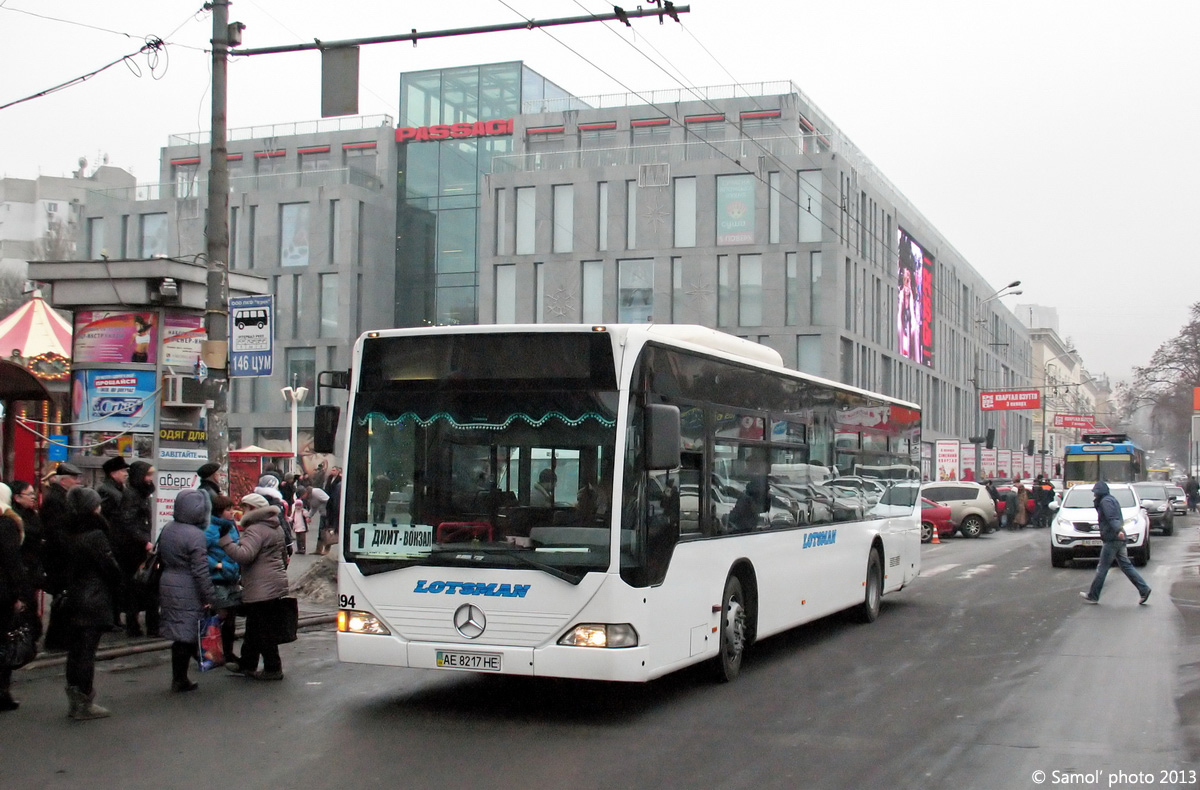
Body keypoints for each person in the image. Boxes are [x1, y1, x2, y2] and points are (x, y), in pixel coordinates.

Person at [62, 486, 122, 720]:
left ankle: (74, 697)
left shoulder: (67, 533)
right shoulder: (96, 535)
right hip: (94, 597)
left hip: (74, 596)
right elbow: (110, 568)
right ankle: (85, 700)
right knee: (87, 650)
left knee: (75, 650)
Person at [219, 493, 289, 681]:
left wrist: (225, 542)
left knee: (262, 629)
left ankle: (273, 668)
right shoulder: (275, 526)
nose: (241, 511)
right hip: (273, 582)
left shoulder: (256, 530)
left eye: (245, 507)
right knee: (254, 626)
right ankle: (247, 663)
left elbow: (244, 555)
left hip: (261, 586)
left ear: (253, 509)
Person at [157, 489, 217, 693]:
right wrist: (209, 596)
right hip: (188, 586)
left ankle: (180, 676)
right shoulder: (196, 535)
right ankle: (181, 678)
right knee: (188, 632)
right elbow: (200, 571)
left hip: (168, 582)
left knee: (179, 629)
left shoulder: (169, 528)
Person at [1081, 481, 1152, 605]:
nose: (1094, 495)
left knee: (1102, 568)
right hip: (1118, 538)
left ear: (1099, 493)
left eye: (1095, 493)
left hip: (1112, 538)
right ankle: (1144, 589)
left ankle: (1094, 595)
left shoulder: (1105, 502)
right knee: (1126, 566)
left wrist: (1118, 530)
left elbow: (1112, 518)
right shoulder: (1111, 499)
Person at [0, 483, 35, 712]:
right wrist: (20, 594)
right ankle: (2, 692)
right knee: (4, 640)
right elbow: (12, 561)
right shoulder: (7, 523)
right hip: (2, 591)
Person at [117, 461, 158, 637]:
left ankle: (146, 625)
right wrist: (144, 542)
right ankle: (135, 625)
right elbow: (127, 522)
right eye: (148, 475)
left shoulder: (141, 493)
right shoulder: (132, 495)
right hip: (132, 550)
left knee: (143, 586)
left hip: (139, 546)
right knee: (136, 587)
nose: (150, 479)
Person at [205, 496, 242, 670]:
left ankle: (228, 652)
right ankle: (212, 651)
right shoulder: (210, 530)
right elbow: (201, 554)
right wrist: (217, 565)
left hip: (232, 578)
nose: (232, 512)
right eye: (228, 510)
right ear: (219, 512)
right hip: (218, 579)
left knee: (231, 618)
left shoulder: (232, 527)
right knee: (220, 616)